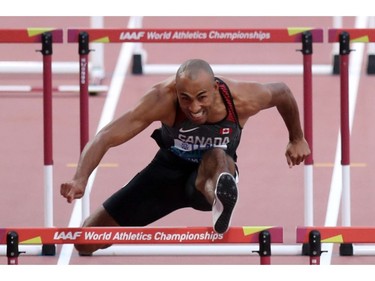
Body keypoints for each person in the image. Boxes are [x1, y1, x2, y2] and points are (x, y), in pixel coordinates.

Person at [60, 58, 311, 255]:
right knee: (85, 241)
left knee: (216, 155)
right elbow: (106, 136)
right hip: (165, 173)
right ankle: (111, 232)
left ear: (214, 88)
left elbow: (282, 93)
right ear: (176, 91)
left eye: (201, 97)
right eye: (185, 98)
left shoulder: (240, 98)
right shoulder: (161, 98)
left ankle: (220, 200)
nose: (193, 108)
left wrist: (296, 137)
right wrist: (80, 178)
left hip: (208, 177)